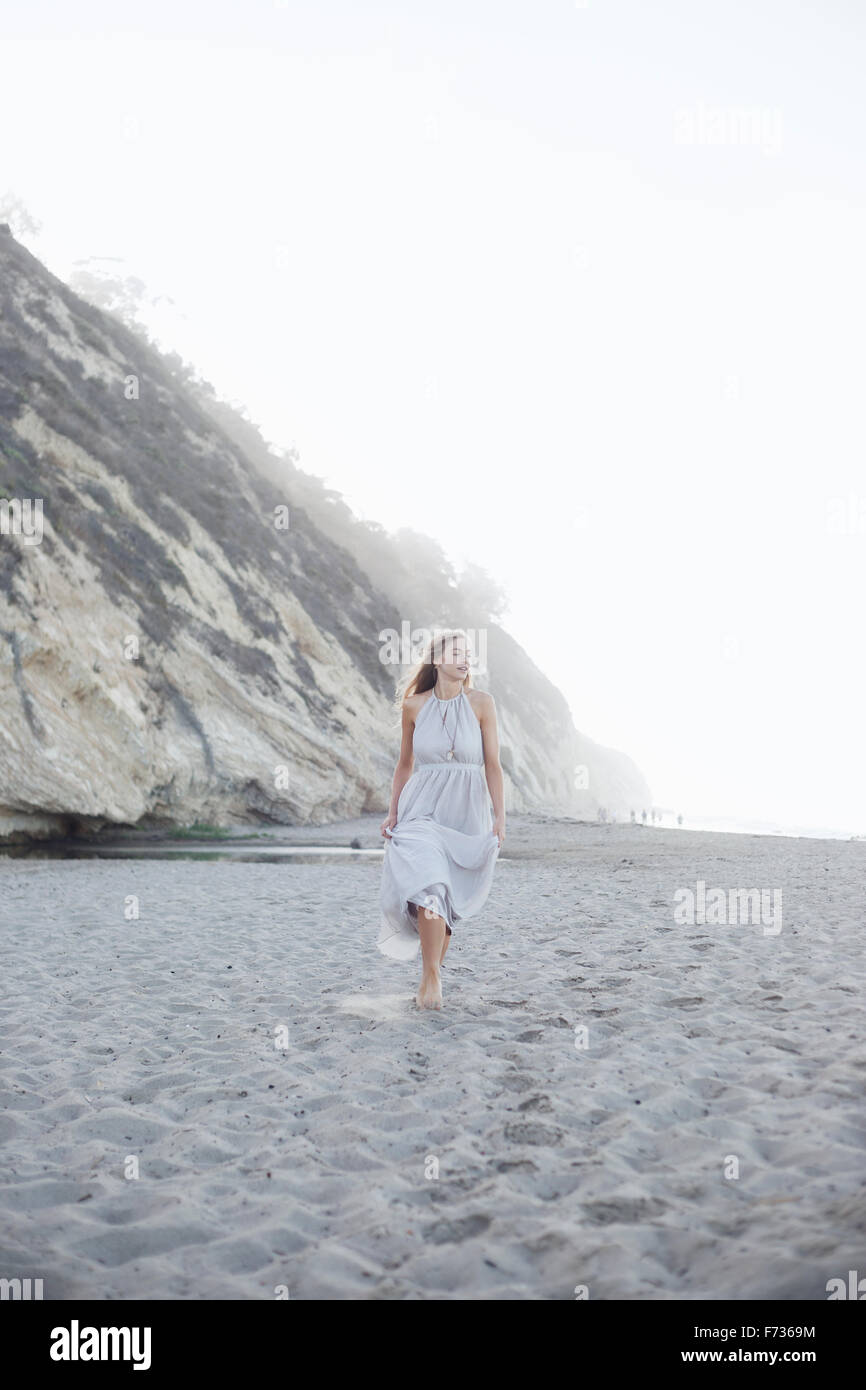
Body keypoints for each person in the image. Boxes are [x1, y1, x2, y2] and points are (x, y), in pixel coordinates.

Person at [378, 628, 505, 1009]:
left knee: (445, 899)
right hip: (422, 809)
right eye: (456, 653)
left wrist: (500, 818)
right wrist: (393, 811)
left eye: (469, 654)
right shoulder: (413, 706)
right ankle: (432, 978)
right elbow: (404, 766)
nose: (465, 659)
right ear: (437, 660)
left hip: (466, 812)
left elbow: (494, 766)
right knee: (428, 886)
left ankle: (428, 974)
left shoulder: (482, 703)